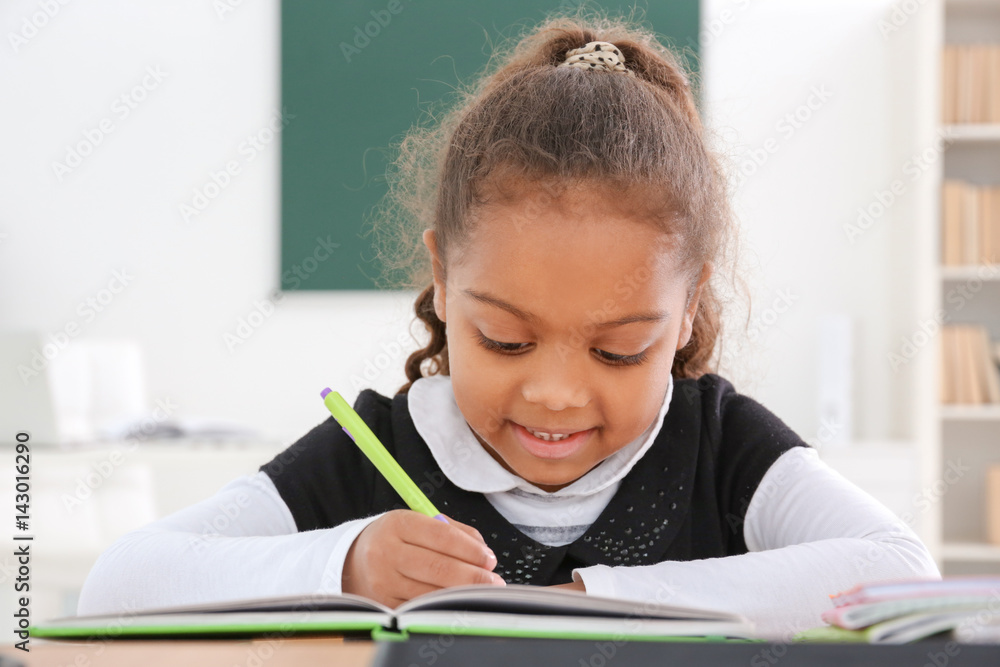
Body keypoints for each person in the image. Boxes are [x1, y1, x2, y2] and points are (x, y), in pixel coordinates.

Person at [77, 12, 939, 636]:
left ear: (685, 314)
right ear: (445, 284)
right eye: (506, 340)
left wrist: (575, 610)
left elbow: (896, 571)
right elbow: (117, 585)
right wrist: (346, 564)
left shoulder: (717, 443)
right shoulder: (379, 446)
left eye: (618, 348)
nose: (556, 393)